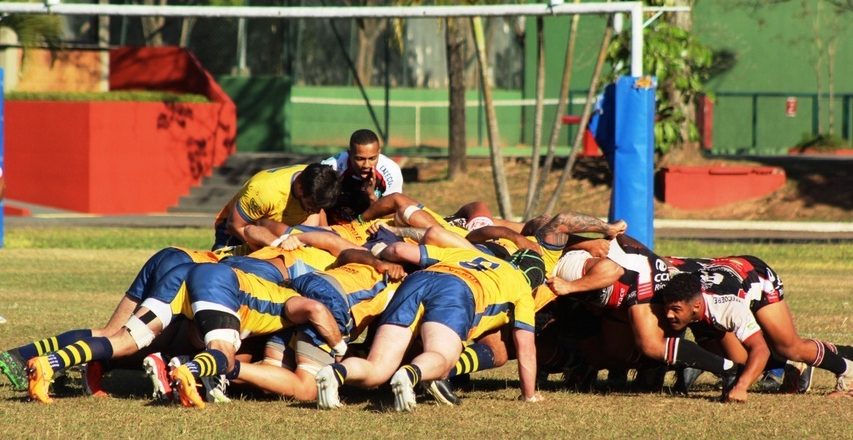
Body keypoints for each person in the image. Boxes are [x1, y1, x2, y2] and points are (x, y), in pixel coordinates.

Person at [315, 239, 546, 412]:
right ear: (533, 280)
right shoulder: (522, 288)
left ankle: (336, 373)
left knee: (378, 367)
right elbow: (525, 348)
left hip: (418, 281)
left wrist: (379, 251)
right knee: (441, 356)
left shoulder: (465, 252)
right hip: (457, 292)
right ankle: (411, 374)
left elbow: (401, 250)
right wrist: (529, 395)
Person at [661, 262, 853, 400]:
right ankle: (791, 365)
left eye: (675, 310)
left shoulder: (728, 307)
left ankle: (847, 371)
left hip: (756, 277)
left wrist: (742, 387)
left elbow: (760, 349)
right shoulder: (679, 288)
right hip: (722, 275)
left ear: (695, 306)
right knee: (738, 362)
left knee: (790, 347)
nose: (669, 315)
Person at [213, 163, 341, 250]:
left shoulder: (317, 181)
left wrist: (325, 231)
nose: (316, 211)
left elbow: (318, 213)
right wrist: (268, 250)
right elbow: (235, 225)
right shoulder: (264, 192)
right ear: (300, 187)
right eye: (312, 205)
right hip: (234, 231)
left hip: (275, 230)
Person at [321, 129, 403, 223]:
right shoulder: (332, 167)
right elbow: (317, 204)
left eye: (372, 158)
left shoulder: (392, 171)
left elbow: (392, 213)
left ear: (378, 152)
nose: (366, 165)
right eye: (360, 159)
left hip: (372, 226)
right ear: (350, 153)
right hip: (335, 227)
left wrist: (371, 195)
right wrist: (325, 230)